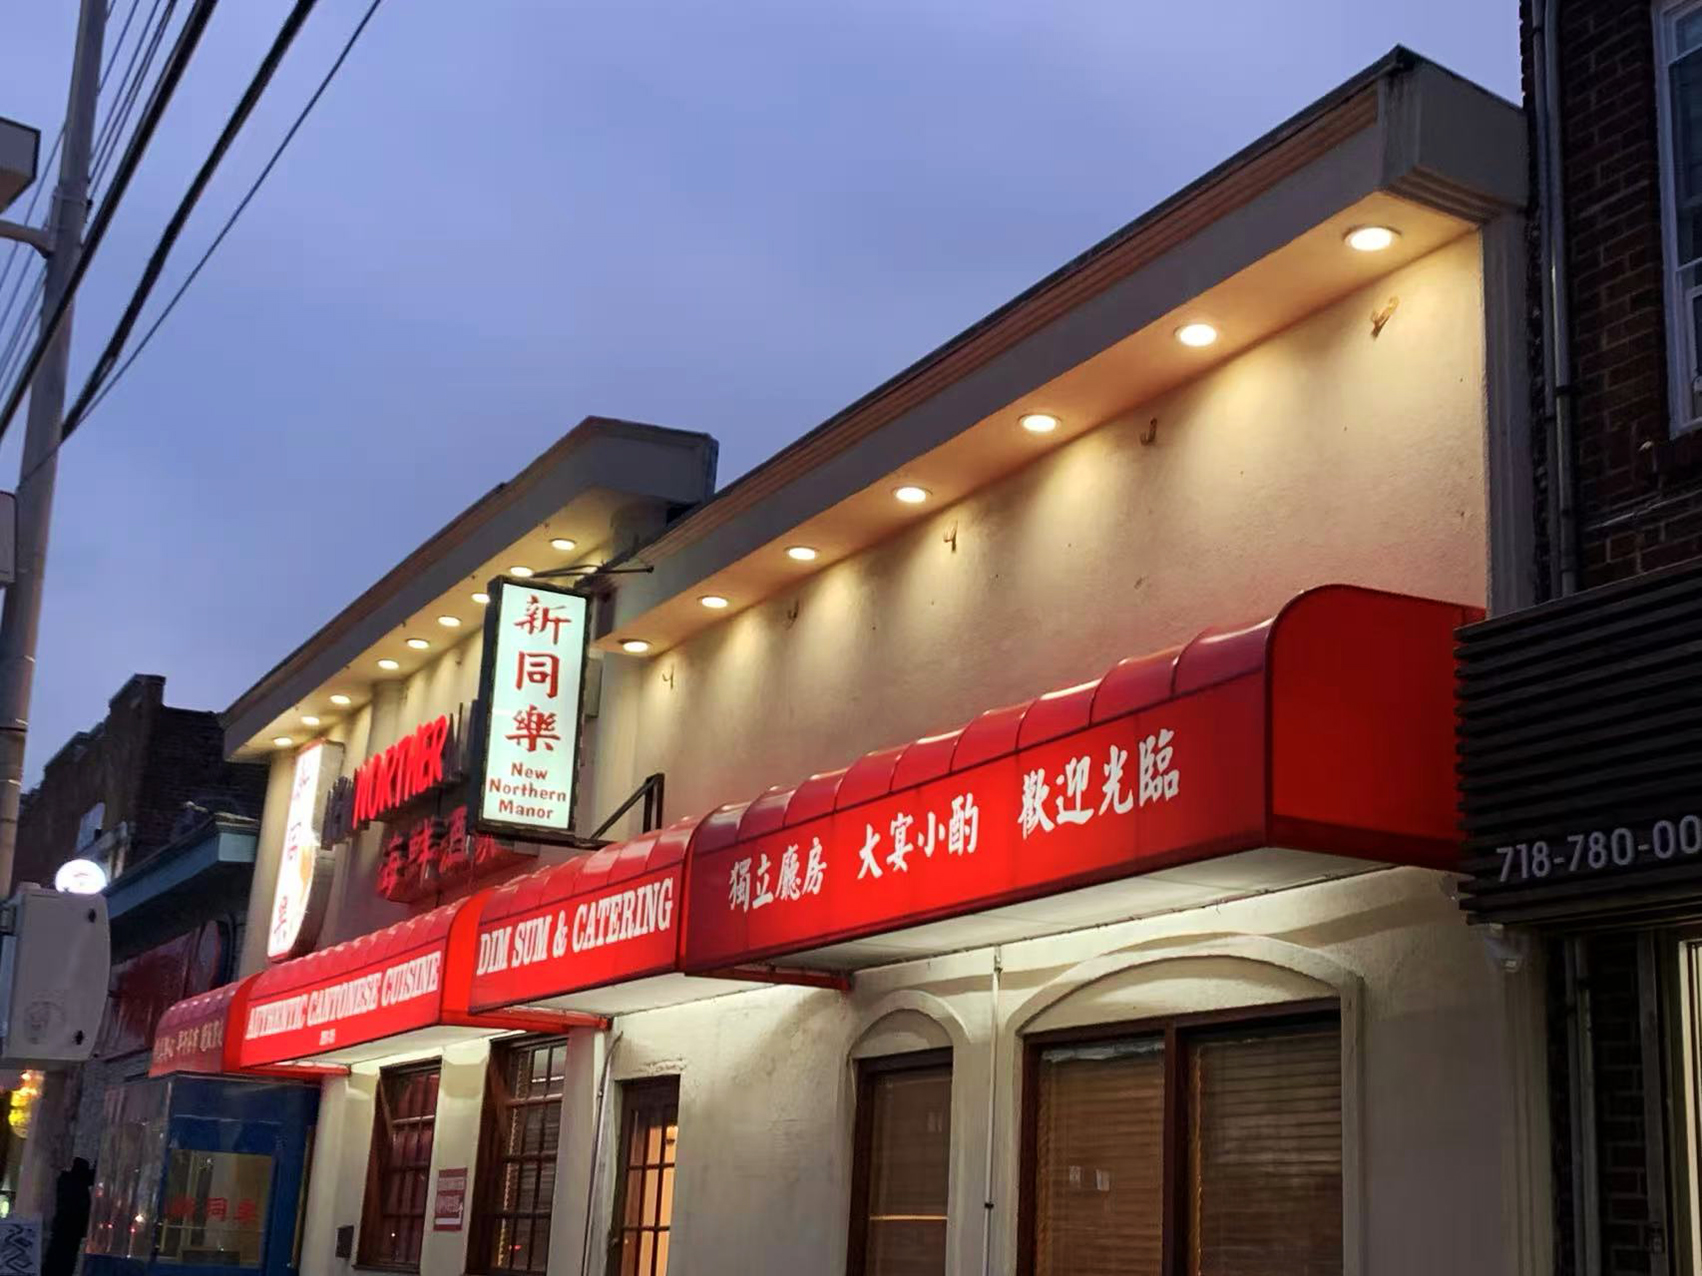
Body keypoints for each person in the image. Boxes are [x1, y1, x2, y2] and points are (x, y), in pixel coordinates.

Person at [42, 1157, 93, 1276]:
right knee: (65, 1259)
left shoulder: (66, 1181)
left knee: (58, 1257)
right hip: (71, 1228)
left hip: (64, 1227)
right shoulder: (77, 1184)